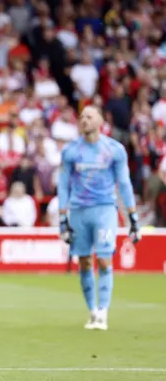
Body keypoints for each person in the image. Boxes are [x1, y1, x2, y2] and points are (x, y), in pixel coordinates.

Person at [58, 106, 142, 331]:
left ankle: (103, 311)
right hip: (78, 211)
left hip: (105, 209)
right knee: (84, 261)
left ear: (100, 120)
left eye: (89, 116)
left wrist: (132, 216)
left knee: (104, 259)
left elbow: (124, 183)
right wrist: (62, 216)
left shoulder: (114, 150)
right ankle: (92, 312)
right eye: (82, 117)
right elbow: (63, 184)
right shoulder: (71, 151)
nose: (84, 120)